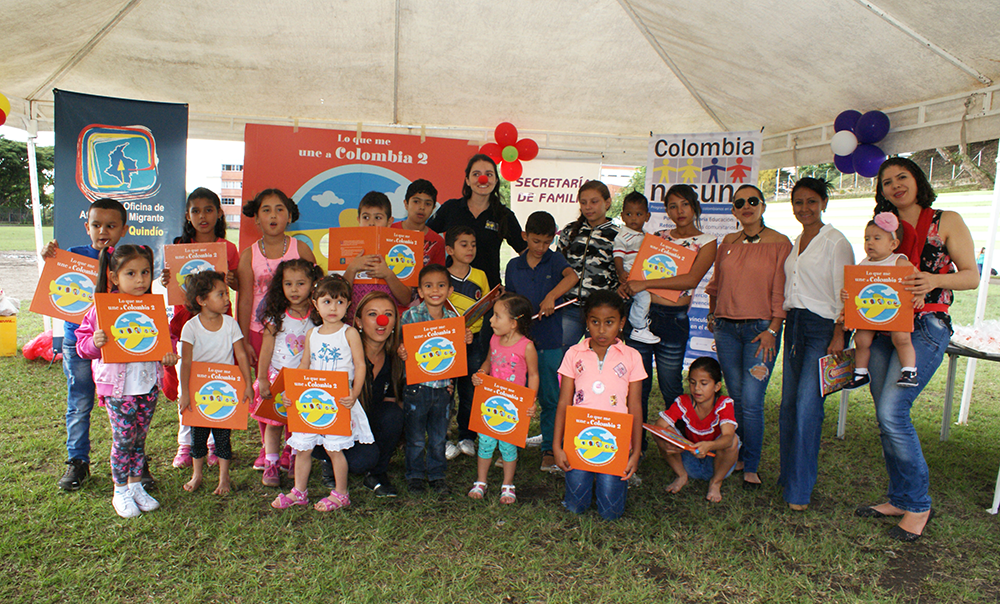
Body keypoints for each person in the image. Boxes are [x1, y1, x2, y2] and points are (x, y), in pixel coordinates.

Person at [854, 158, 977, 542]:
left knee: (894, 411)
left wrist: (933, 279)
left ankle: (919, 506)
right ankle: (900, 497)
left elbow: (971, 275)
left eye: (901, 177)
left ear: (917, 180)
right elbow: (868, 274)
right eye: (887, 182)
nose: (895, 186)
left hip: (926, 324)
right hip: (881, 326)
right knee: (884, 414)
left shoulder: (946, 220)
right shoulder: (883, 229)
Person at [75, 245, 179, 517]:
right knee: (124, 440)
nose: (140, 279)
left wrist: (170, 353)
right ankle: (119, 490)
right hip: (119, 390)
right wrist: (95, 343)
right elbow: (82, 344)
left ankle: (135, 486)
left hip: (147, 386)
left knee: (139, 439)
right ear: (113, 277)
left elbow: (166, 339)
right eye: (131, 273)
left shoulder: (153, 307)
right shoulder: (102, 308)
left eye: (145, 272)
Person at [618, 185, 717, 450]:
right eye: (672, 206)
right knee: (639, 384)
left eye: (684, 204)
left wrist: (643, 283)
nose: (679, 211)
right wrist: (628, 282)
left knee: (671, 384)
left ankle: (681, 441)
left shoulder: (707, 242)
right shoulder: (657, 236)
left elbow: (692, 279)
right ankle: (634, 444)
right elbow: (635, 268)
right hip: (643, 317)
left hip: (674, 320)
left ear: (694, 205)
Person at [705, 185, 791, 490]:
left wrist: (772, 330)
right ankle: (737, 454)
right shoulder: (728, 242)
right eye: (739, 203)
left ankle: (752, 463)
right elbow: (716, 283)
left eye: (752, 201)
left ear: (763, 206)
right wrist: (713, 315)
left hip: (760, 331)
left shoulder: (781, 243)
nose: (746, 206)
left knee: (753, 401)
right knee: (736, 396)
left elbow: (782, 291)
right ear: (733, 210)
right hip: (727, 328)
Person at [777, 177, 854, 511]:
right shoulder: (796, 241)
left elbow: (846, 293)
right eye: (798, 203)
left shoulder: (835, 242)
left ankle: (800, 490)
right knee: (789, 405)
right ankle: (788, 476)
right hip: (793, 325)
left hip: (823, 329)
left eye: (811, 201)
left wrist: (839, 334)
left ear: (823, 203)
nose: (804, 209)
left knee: (809, 407)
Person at [42, 197, 129, 491]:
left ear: (123, 229)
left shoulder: (128, 260)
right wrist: (49, 259)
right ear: (87, 227)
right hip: (76, 342)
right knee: (79, 402)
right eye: (96, 225)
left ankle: (132, 462)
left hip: (118, 345)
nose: (103, 230)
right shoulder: (72, 256)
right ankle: (78, 461)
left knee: (126, 402)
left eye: (111, 225)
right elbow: (55, 288)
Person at [272, 275, 371, 511]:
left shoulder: (349, 333)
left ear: (348, 305)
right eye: (327, 301)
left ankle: (341, 493)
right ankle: (299, 492)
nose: (333, 308)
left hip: (338, 401)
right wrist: (292, 393)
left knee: (334, 448)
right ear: (316, 304)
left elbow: (361, 365)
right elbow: (303, 366)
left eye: (339, 302)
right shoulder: (312, 334)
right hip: (312, 399)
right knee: (303, 446)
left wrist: (354, 394)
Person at [160, 187, 241, 470]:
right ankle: (186, 444)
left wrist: (232, 281)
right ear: (187, 215)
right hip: (187, 321)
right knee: (188, 381)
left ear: (219, 213)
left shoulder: (228, 249)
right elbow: (172, 287)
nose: (202, 216)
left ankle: (215, 444)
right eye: (196, 210)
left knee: (218, 377)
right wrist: (166, 278)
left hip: (219, 324)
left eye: (209, 210)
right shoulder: (178, 245)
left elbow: (239, 285)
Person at [237, 188, 315, 471]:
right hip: (260, 332)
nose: (273, 215)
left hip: (296, 333)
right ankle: (267, 448)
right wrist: (244, 339)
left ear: (290, 215)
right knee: (265, 390)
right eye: (266, 210)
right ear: (256, 218)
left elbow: (315, 291)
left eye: (279, 209)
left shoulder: (301, 250)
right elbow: (245, 298)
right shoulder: (248, 255)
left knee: (295, 388)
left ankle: (292, 448)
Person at [553, 291, 646, 520]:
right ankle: (582, 485)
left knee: (611, 513)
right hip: (578, 439)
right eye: (595, 322)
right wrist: (557, 445)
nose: (602, 330)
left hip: (616, 441)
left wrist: (635, 450)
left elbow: (635, 406)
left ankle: (607, 486)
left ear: (621, 323)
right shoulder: (574, 354)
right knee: (575, 507)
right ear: (586, 322)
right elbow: (564, 402)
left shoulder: (632, 356)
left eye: (609, 322)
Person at [504, 211, 579, 473]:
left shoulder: (555, 259)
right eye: (536, 241)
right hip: (519, 342)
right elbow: (509, 300)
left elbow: (572, 278)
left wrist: (551, 297)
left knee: (550, 395)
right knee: (516, 395)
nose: (541, 248)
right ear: (525, 236)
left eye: (547, 242)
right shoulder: (514, 265)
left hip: (548, 340)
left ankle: (549, 447)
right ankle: (508, 446)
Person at [398, 264, 474, 495]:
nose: (435, 290)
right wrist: (402, 352)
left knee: (439, 436)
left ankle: (438, 475)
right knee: (415, 437)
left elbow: (454, 356)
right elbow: (402, 349)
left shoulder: (454, 320)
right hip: (416, 388)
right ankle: (415, 476)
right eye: (428, 286)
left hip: (443, 389)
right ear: (420, 291)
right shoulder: (410, 316)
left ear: (450, 290)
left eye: (441, 285)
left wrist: (466, 339)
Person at [177, 271, 254, 495]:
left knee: (222, 438)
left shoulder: (230, 324)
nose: (227, 299)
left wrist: (247, 384)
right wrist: (185, 393)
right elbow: (186, 363)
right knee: (198, 437)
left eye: (226, 293)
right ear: (201, 300)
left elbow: (241, 356)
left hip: (225, 392)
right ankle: (197, 474)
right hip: (199, 392)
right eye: (220, 294)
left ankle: (224, 478)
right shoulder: (190, 327)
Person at [254, 259, 323, 487]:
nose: (294, 289)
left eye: (301, 283)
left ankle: (295, 457)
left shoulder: (318, 315)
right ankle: (271, 462)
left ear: (313, 284)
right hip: (277, 378)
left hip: (304, 380)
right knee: (274, 423)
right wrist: (263, 377)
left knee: (298, 422)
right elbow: (266, 347)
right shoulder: (277, 315)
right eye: (288, 283)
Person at [468, 294, 539, 504]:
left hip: (513, 408)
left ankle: (508, 484)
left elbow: (533, 375)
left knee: (508, 446)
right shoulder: (494, 339)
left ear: (514, 323)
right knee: (485, 443)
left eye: (497, 316)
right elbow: (489, 362)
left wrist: (530, 401)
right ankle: (481, 481)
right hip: (491, 403)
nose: (491, 321)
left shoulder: (526, 346)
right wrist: (481, 373)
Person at [843, 212, 921, 390]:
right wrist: (846, 298)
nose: (870, 242)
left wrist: (919, 295)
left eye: (877, 238)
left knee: (901, 338)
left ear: (893, 244)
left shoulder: (898, 262)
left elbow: (918, 279)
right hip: (871, 312)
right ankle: (860, 373)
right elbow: (854, 290)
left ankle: (909, 371)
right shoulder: (863, 265)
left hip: (894, 311)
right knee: (861, 339)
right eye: (867, 238)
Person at [340, 291, 407, 497]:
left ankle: (377, 473)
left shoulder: (395, 357)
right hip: (340, 428)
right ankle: (330, 459)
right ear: (358, 322)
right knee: (360, 462)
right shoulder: (344, 353)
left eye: (388, 314)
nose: (381, 320)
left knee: (394, 413)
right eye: (372, 314)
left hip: (368, 425)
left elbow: (393, 403)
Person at [426, 154, 526, 290]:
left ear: (496, 180)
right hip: (451, 290)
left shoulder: (504, 215)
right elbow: (426, 236)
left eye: (489, 174)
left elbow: (524, 251)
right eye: (476, 174)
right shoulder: (451, 208)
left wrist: (513, 286)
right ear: (467, 180)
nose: (483, 179)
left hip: (488, 293)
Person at [652, 357, 739, 503]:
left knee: (733, 441)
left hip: (716, 462)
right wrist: (672, 441)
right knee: (660, 433)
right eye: (692, 382)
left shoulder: (724, 404)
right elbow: (659, 425)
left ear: (717, 386)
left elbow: (728, 437)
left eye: (704, 383)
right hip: (689, 461)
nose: (697, 388)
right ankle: (681, 475)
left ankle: (716, 482)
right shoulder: (683, 402)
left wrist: (709, 445)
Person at [443, 226, 490, 460]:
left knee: (470, 389)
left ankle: (467, 436)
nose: (470, 249)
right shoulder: (440, 276)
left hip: (475, 340)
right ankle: (442, 438)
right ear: (450, 249)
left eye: (473, 244)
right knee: (445, 391)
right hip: (446, 344)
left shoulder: (480, 275)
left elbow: (486, 303)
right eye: (463, 244)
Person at [559, 180, 620, 351]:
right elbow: (558, 267)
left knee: (599, 357)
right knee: (560, 356)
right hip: (569, 307)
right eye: (583, 202)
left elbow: (622, 274)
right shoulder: (570, 231)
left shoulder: (618, 235)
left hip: (601, 311)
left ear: (607, 202)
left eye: (594, 202)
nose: (588, 207)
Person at [344, 191, 413, 320]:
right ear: (358, 220)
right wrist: (352, 268)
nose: (371, 223)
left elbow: (405, 299)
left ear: (389, 222)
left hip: (386, 325)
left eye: (378, 218)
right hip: (353, 323)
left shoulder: (401, 250)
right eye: (366, 217)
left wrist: (388, 274)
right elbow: (338, 296)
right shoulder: (346, 247)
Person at [612, 191, 658, 344]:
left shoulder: (646, 236)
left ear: (647, 216)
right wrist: (621, 273)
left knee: (646, 299)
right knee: (644, 299)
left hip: (642, 275)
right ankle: (638, 327)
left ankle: (639, 323)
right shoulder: (623, 235)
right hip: (631, 275)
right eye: (629, 214)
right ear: (623, 216)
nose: (633, 218)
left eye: (638, 214)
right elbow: (617, 255)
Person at [393, 179, 447, 268]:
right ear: (406, 204)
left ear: (433, 208)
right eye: (416, 202)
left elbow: (437, 275)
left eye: (428, 204)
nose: (422, 207)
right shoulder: (389, 230)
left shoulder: (437, 241)